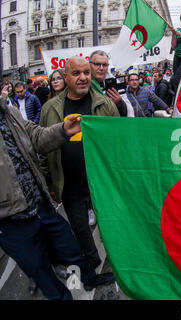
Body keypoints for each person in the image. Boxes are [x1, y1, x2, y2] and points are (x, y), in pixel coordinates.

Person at [0, 90, 115, 300]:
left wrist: (63, 130)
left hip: (40, 207)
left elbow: (36, 136)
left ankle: (89, 278)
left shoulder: (10, 112)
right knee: (40, 270)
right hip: (11, 221)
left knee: (71, 250)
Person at [39, 56, 119, 271]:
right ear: (65, 77)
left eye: (86, 73)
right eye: (76, 73)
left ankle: (118, 261)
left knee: (111, 224)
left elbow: (117, 144)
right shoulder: (50, 109)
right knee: (81, 230)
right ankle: (92, 263)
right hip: (70, 186)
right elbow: (43, 149)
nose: (83, 78)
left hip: (101, 184)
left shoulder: (105, 104)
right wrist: (50, 184)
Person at [88, 50, 128, 117]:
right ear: (89, 65)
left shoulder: (116, 84)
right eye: (97, 64)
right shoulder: (83, 84)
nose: (101, 68)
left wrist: (119, 103)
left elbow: (126, 114)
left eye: (104, 65)